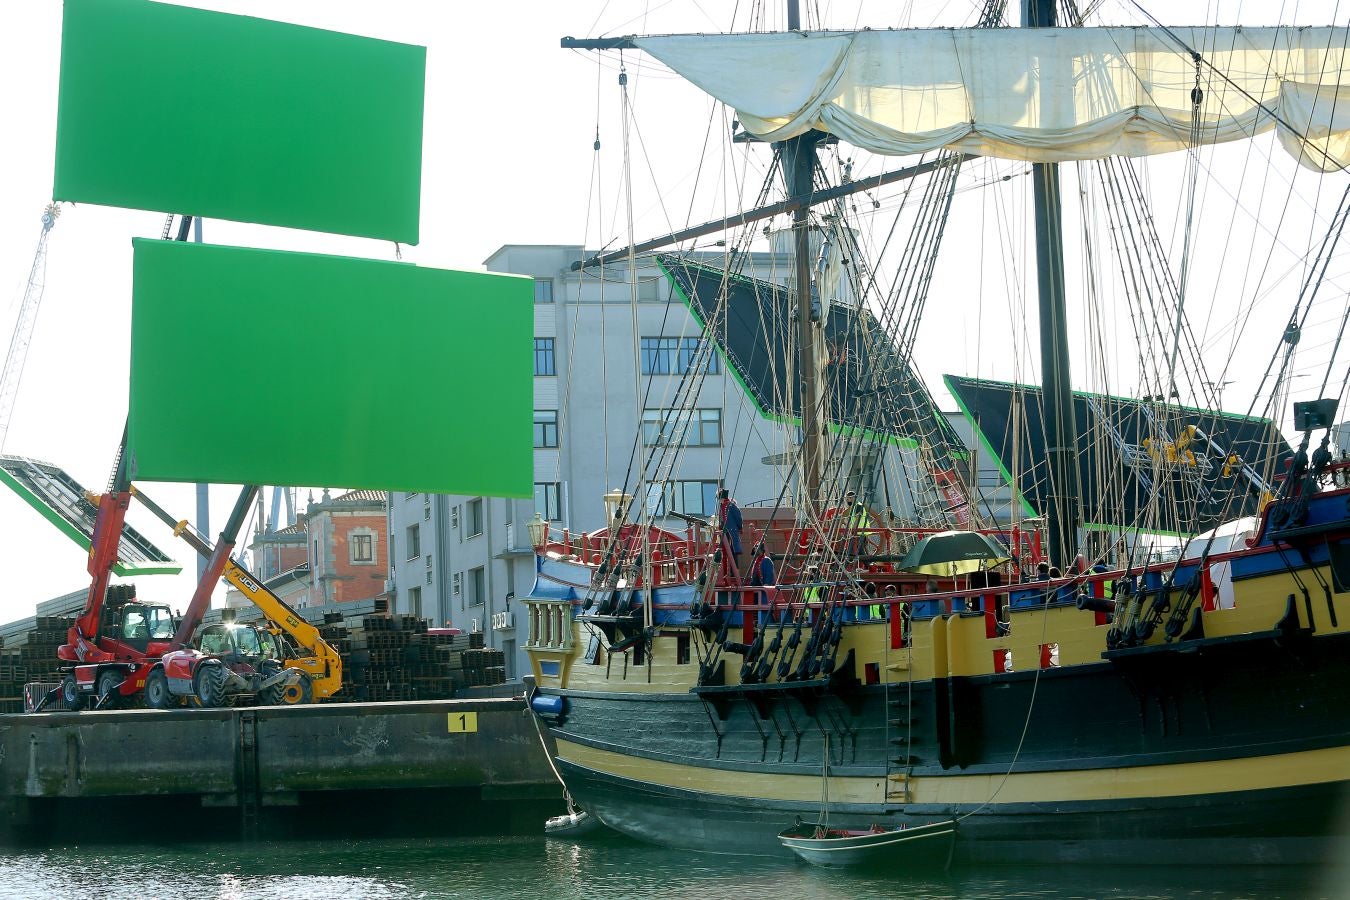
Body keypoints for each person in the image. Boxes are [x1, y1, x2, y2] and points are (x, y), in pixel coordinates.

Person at [717, 488, 743, 575]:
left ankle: (734, 572)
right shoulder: (722, 507)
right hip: (724, 532)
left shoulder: (731, 505)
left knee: (732, 551)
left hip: (731, 532)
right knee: (724, 551)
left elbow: (738, 517)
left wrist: (740, 528)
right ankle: (725, 572)